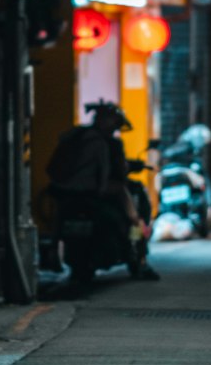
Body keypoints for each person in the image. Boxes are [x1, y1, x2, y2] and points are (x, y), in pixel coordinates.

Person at [47, 100, 159, 280]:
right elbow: (112, 174)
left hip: (63, 191)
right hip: (92, 191)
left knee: (58, 217)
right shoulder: (107, 143)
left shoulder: (74, 135)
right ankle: (139, 253)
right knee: (133, 216)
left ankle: (53, 251)